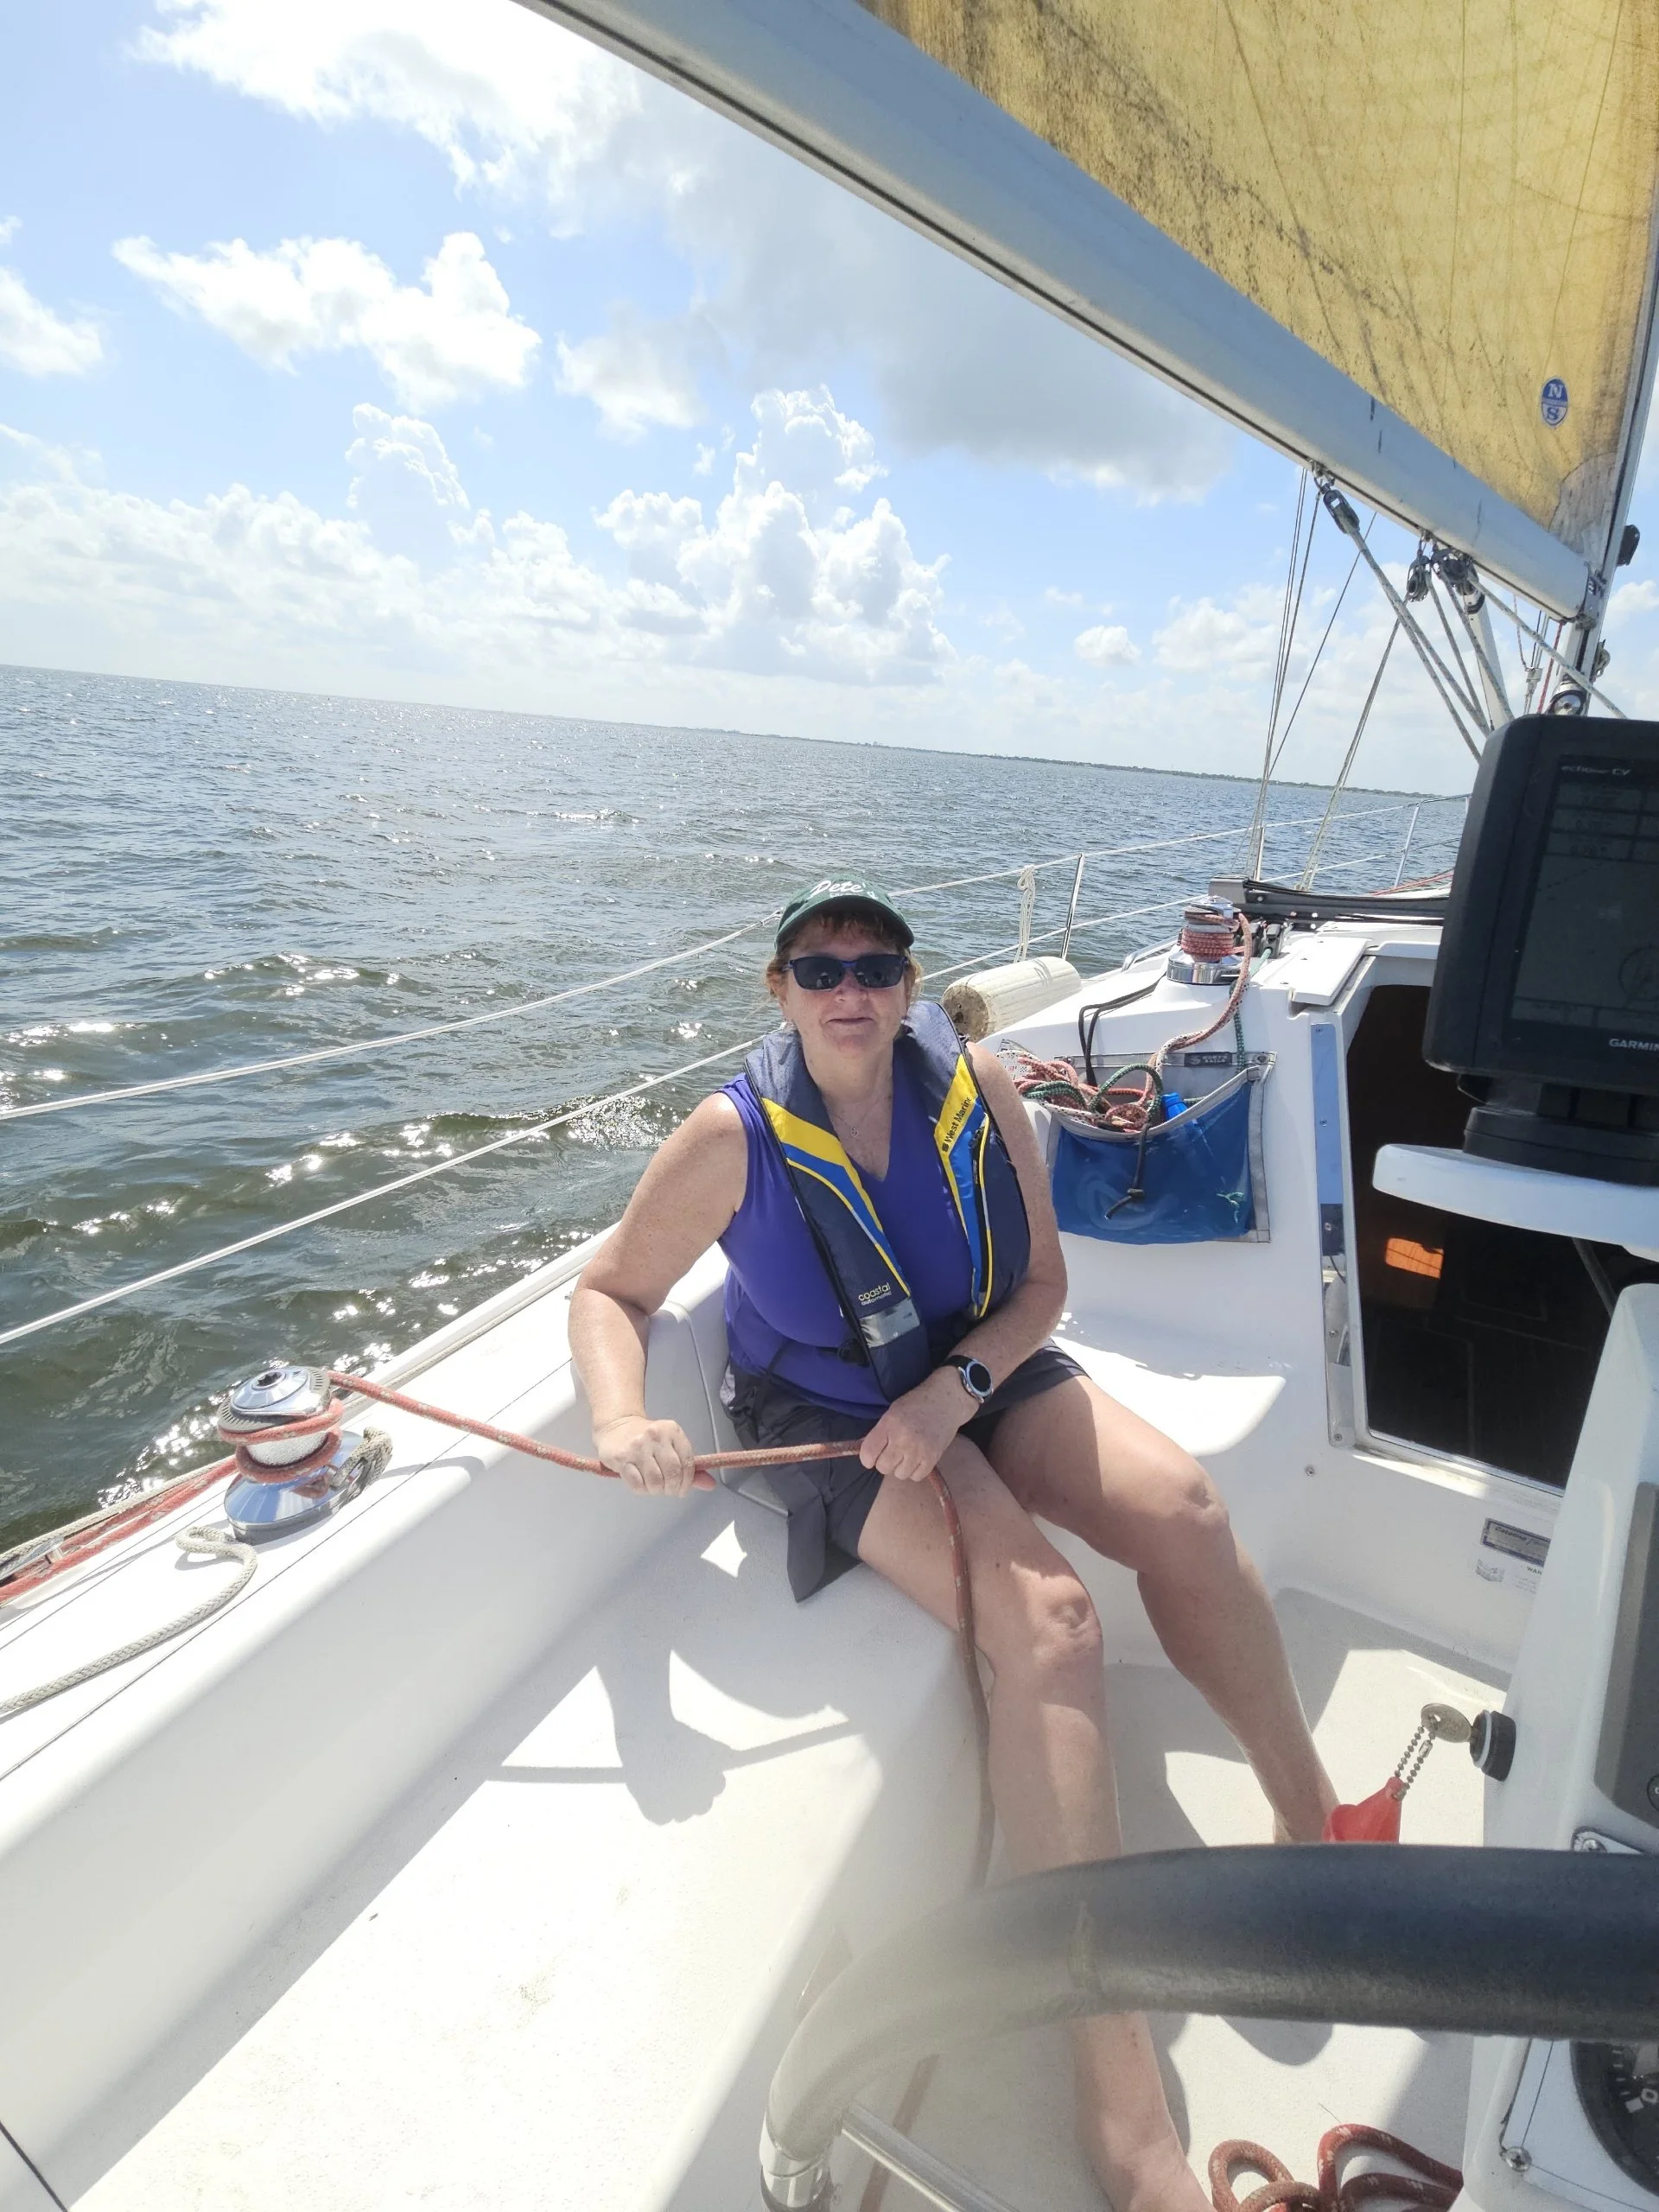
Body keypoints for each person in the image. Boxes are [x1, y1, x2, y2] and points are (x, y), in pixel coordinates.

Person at [569, 874, 1338, 2212]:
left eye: (877, 965)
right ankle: (1122, 2107)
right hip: (832, 1421)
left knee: (1186, 1510)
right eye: (820, 970)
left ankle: (1307, 1814)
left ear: (912, 986)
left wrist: (954, 1394)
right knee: (1050, 1625)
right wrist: (622, 1414)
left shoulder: (978, 1090)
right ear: (780, 993)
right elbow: (609, 1289)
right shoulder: (729, 1137)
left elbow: (1041, 1288)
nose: (851, 990)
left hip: (968, 1371)